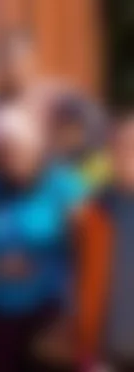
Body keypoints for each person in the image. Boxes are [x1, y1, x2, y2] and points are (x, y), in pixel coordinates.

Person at [0, 106, 85, 372]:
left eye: (17, 149)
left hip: (49, 320)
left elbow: (89, 256)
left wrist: (68, 321)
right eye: (4, 151)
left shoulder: (64, 187)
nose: (11, 158)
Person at [75, 115, 134, 370]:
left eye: (131, 147)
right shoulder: (93, 212)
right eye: (118, 147)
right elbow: (75, 278)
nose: (124, 155)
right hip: (104, 352)